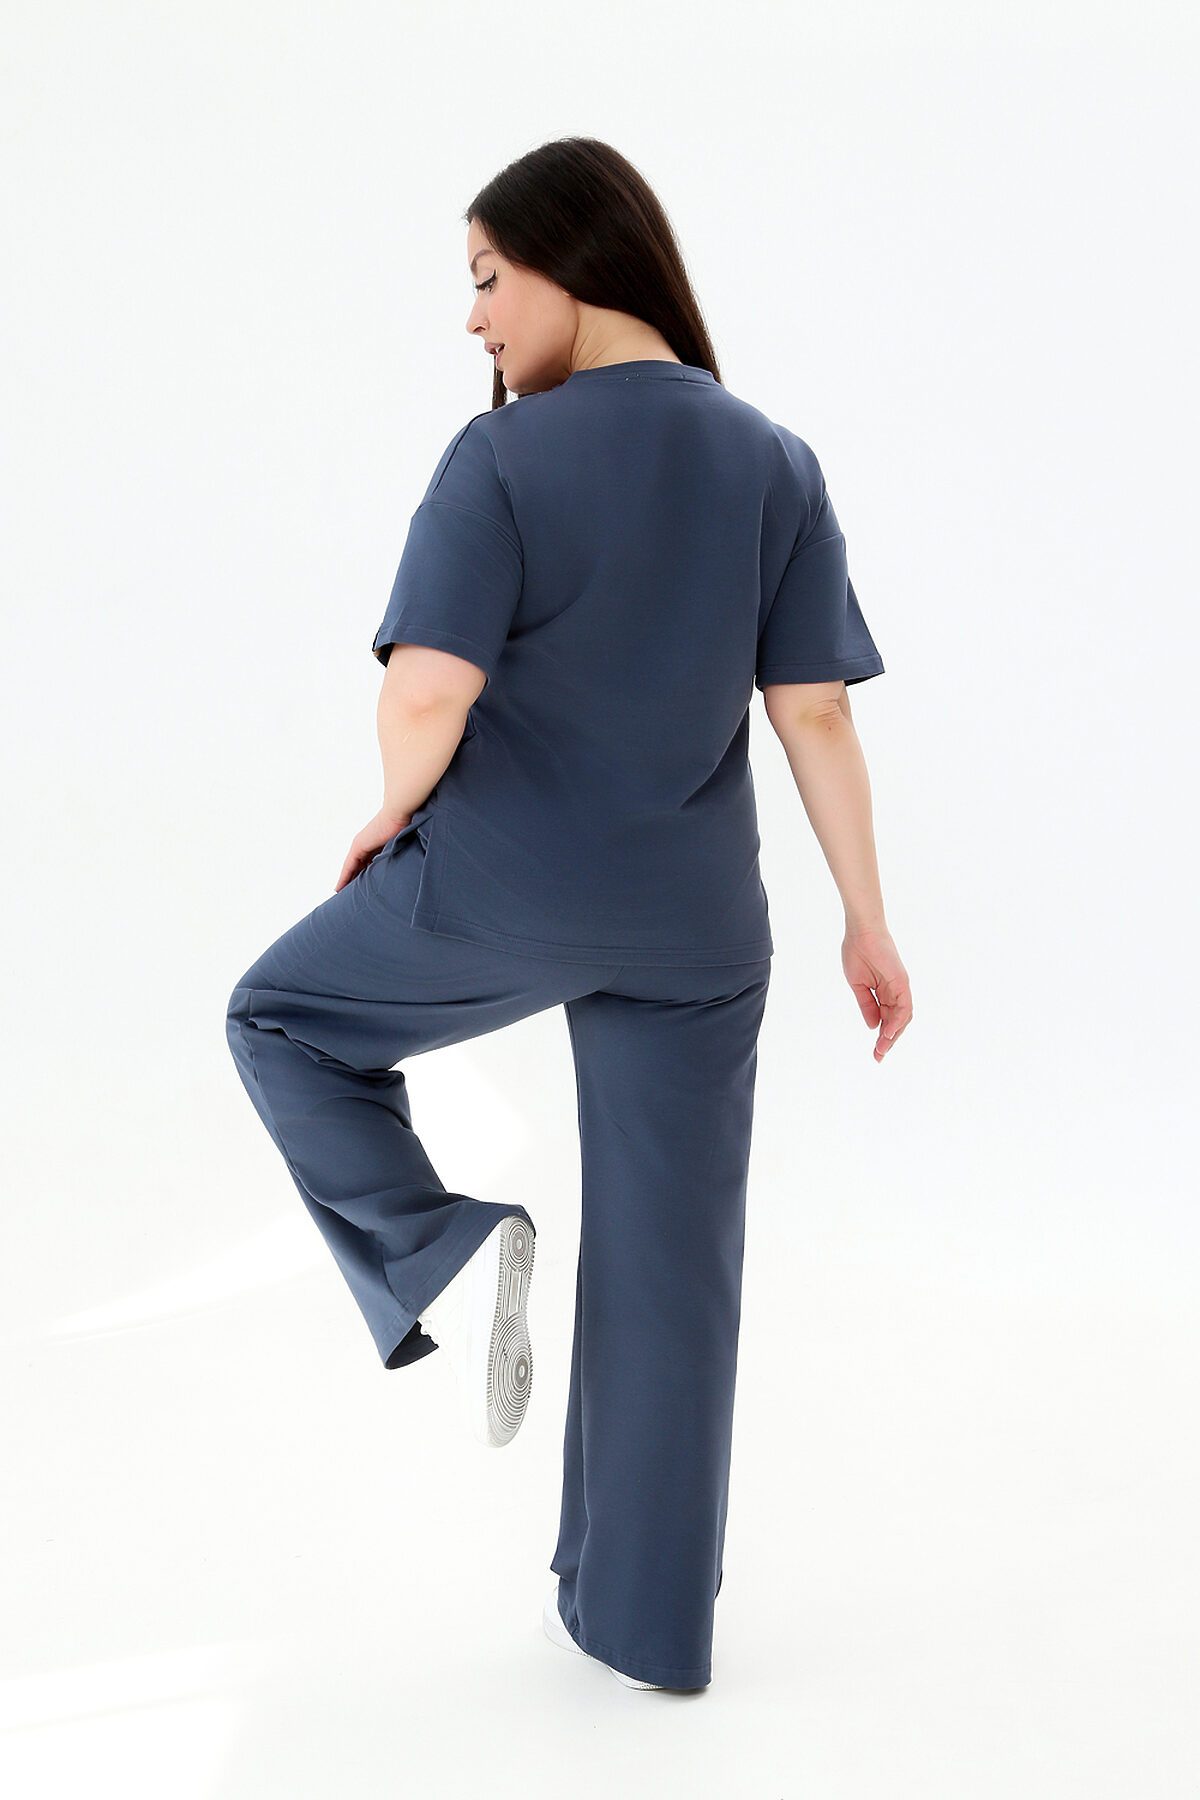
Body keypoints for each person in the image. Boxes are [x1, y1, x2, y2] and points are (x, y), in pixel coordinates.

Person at [225, 135, 913, 1695]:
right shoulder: (775, 461)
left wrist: (392, 810)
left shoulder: (503, 461)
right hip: (699, 931)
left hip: (502, 888)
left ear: (575, 260)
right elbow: (814, 714)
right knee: (678, 1271)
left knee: (279, 1019)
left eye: (486, 277)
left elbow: (428, 689)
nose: (473, 318)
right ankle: (644, 1630)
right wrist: (868, 925)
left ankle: (444, 1243)